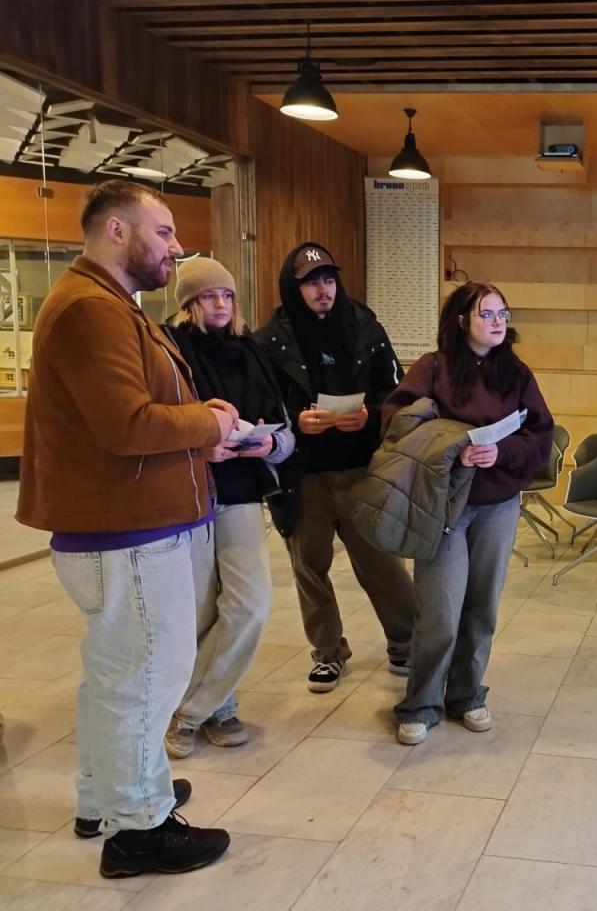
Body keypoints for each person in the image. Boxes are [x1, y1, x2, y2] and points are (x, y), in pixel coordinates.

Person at [15, 179, 233, 878]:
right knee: (144, 679)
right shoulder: (91, 308)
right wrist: (210, 423)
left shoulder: (105, 303)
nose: (176, 246)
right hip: (125, 532)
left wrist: (199, 437)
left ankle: (107, 797)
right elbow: (128, 425)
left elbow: (130, 417)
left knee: (117, 673)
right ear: (117, 230)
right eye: (163, 231)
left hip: (126, 525)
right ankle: (138, 827)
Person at [383, 282, 553, 745]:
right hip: (444, 504)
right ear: (462, 321)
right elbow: (397, 421)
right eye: (487, 314)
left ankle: (466, 694)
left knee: (482, 606)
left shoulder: (516, 373)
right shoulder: (432, 367)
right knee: (439, 609)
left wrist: (501, 452)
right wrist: (453, 447)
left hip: (498, 505)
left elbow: (540, 435)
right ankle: (421, 703)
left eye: (503, 314)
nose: (498, 323)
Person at [255, 242, 417, 693]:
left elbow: (396, 392)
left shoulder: (365, 327)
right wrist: (295, 420)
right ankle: (328, 652)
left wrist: (371, 415)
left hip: (361, 468)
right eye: (311, 283)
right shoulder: (270, 341)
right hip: (303, 474)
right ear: (294, 288)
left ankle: (406, 641)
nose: (322, 290)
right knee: (309, 565)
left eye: (328, 280)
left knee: (382, 562)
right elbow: (261, 404)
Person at [162, 257, 296, 758]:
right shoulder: (169, 349)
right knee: (199, 612)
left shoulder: (251, 350)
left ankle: (188, 711)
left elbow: (285, 429)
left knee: (250, 605)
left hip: (241, 491)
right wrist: (201, 447)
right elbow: (157, 424)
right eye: (208, 296)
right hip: (188, 495)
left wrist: (271, 444)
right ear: (188, 303)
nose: (220, 304)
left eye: (227, 295)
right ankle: (219, 707)